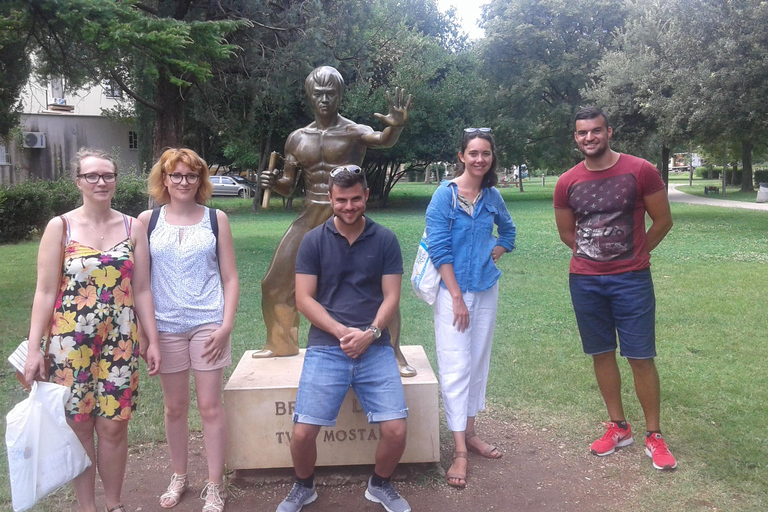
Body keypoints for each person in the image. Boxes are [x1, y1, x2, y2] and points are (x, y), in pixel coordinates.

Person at [23, 148, 162, 512]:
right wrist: (35, 347)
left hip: (120, 343)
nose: (101, 182)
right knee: (80, 426)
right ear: (78, 181)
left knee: (115, 426)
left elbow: (143, 289)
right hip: (69, 345)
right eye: (92, 176)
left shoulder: (135, 227)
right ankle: (88, 507)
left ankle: (114, 504)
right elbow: (45, 291)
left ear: (116, 179)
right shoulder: (61, 227)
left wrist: (153, 340)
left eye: (108, 175)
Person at [257, 65, 416, 377]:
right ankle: (281, 343)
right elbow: (289, 185)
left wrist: (395, 127)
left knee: (375, 287)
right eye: (319, 93)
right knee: (275, 282)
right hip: (310, 215)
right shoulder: (296, 138)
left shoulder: (353, 131)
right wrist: (273, 181)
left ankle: (393, 353)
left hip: (347, 215)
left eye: (331, 93)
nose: (325, 99)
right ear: (309, 96)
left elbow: (382, 139)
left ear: (340, 95)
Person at [276, 166, 410, 512]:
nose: (348, 207)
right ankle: (303, 487)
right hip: (327, 346)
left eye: (355, 199)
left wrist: (370, 333)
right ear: (330, 199)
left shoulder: (385, 240)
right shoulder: (313, 241)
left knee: (396, 430)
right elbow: (304, 298)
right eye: (341, 200)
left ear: (365, 196)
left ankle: (379, 485)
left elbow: (391, 296)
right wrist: (341, 333)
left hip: (375, 345)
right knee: (303, 432)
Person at [554, 107, 676, 470]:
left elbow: (663, 220)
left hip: (632, 280)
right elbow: (566, 233)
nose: (589, 138)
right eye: (581, 133)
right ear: (575, 138)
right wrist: (596, 257)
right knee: (602, 353)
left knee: (640, 356)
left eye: (595, 131)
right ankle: (619, 427)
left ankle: (653, 435)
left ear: (609, 131)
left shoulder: (640, 170)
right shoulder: (567, 181)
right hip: (586, 281)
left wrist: (635, 254)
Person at [138, 148, 239, 511]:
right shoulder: (147, 221)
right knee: (175, 407)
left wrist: (226, 326)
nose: (183, 182)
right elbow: (142, 284)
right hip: (165, 327)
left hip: (208, 324)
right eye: (176, 175)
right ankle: (179, 475)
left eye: (191, 176)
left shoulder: (216, 219)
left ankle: (214, 485)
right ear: (163, 180)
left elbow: (230, 277)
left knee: (210, 407)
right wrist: (146, 335)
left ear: (201, 181)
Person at [425, 128, 516, 488]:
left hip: (485, 289)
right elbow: (439, 248)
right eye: (474, 153)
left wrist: (498, 249)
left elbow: (508, 232)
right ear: (461, 155)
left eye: (486, 153)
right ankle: (459, 450)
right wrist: (458, 298)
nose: (480, 159)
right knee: (455, 365)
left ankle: (472, 432)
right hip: (453, 295)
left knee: (477, 360)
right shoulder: (444, 196)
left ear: (492, 157)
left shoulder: (492, 196)